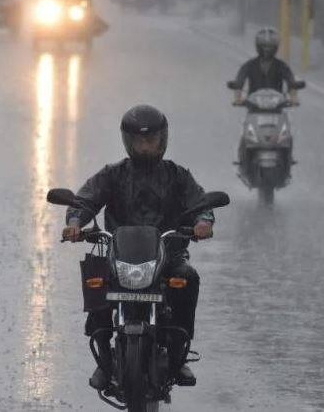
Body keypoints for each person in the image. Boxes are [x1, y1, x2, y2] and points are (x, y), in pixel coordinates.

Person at [61, 105, 214, 390]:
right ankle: (104, 358)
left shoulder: (177, 175)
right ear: (128, 142)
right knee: (95, 278)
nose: (145, 146)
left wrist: (203, 222)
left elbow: (200, 203)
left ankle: (179, 354)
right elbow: (85, 200)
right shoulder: (113, 174)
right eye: (139, 141)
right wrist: (74, 222)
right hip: (120, 257)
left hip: (167, 256)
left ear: (162, 140)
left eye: (151, 140)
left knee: (187, 278)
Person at [229, 28, 300, 169]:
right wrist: (238, 98)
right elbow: (239, 81)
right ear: (258, 46)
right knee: (245, 133)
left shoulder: (281, 66)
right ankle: (243, 158)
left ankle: (288, 157)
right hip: (254, 109)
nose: (267, 50)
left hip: (277, 110)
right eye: (264, 46)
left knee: (287, 133)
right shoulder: (249, 65)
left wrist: (293, 98)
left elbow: (291, 82)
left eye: (270, 46)